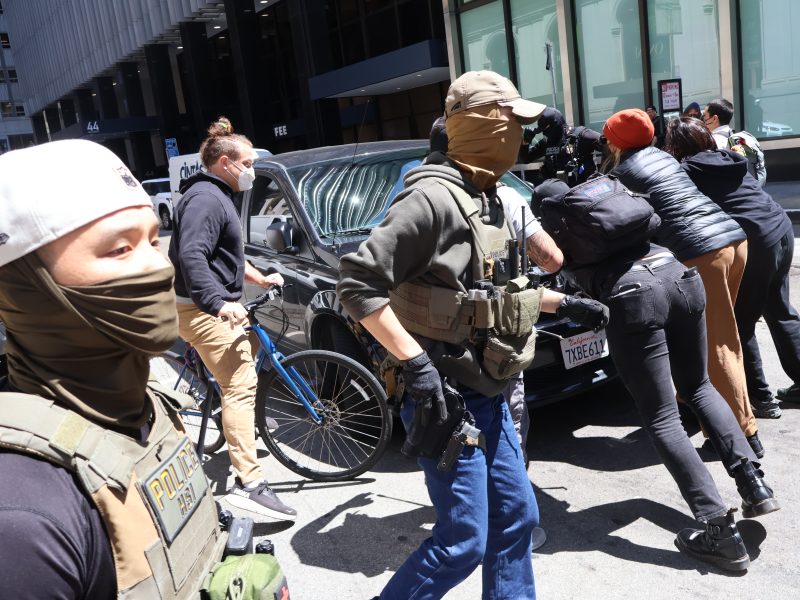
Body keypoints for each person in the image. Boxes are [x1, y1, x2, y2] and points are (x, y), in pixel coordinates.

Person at [338, 70, 609, 599]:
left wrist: (565, 302)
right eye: (512, 122)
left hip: (489, 389)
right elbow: (357, 282)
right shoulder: (431, 200)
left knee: (516, 517)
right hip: (448, 397)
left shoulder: (489, 198)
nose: (521, 136)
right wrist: (415, 364)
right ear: (484, 124)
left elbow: (488, 298)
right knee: (463, 539)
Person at [0, 140, 226, 597]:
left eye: (152, 238)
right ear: (26, 288)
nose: (159, 266)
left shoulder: (149, 406)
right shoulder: (24, 520)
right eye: (119, 249)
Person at [536, 174, 779, 573]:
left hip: (635, 297)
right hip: (678, 274)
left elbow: (549, 274)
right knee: (700, 386)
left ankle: (719, 530)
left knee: (662, 416)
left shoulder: (555, 227)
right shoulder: (599, 208)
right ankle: (754, 483)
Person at [603, 109, 765, 458]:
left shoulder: (624, 173)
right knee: (723, 339)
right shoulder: (664, 158)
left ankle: (742, 435)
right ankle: (702, 407)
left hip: (701, 252)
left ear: (616, 143)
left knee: (714, 347)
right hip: (733, 242)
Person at [168, 117, 296, 520]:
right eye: (247, 162)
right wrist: (219, 303)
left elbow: (226, 255)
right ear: (225, 162)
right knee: (240, 384)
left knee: (249, 349)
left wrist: (260, 276)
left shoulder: (217, 194)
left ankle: (226, 412)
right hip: (200, 308)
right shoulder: (206, 199)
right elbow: (193, 256)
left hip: (209, 302)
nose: (251, 170)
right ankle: (250, 484)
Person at [665, 117, 800, 419]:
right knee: (780, 311)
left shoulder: (687, 172)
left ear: (676, 146)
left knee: (738, 322)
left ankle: (760, 398)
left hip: (756, 241)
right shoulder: (727, 156)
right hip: (780, 229)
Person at [524, 106, 601, 185]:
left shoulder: (581, 135)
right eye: (543, 130)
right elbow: (525, 159)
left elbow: (609, 145)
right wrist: (525, 141)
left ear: (556, 125)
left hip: (584, 190)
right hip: (558, 193)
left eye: (547, 129)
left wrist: (607, 173)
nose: (545, 133)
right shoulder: (546, 142)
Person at [703, 98, 767, 186]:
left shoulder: (713, 142)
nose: (702, 120)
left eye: (704, 117)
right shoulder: (734, 137)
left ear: (714, 119)